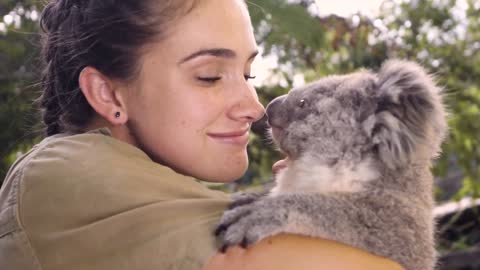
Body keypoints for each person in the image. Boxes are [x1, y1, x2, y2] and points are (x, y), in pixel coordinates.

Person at [0, 0, 405, 269]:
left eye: (249, 74)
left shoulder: (155, 195)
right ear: (107, 93)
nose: (255, 107)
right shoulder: (64, 173)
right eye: (209, 76)